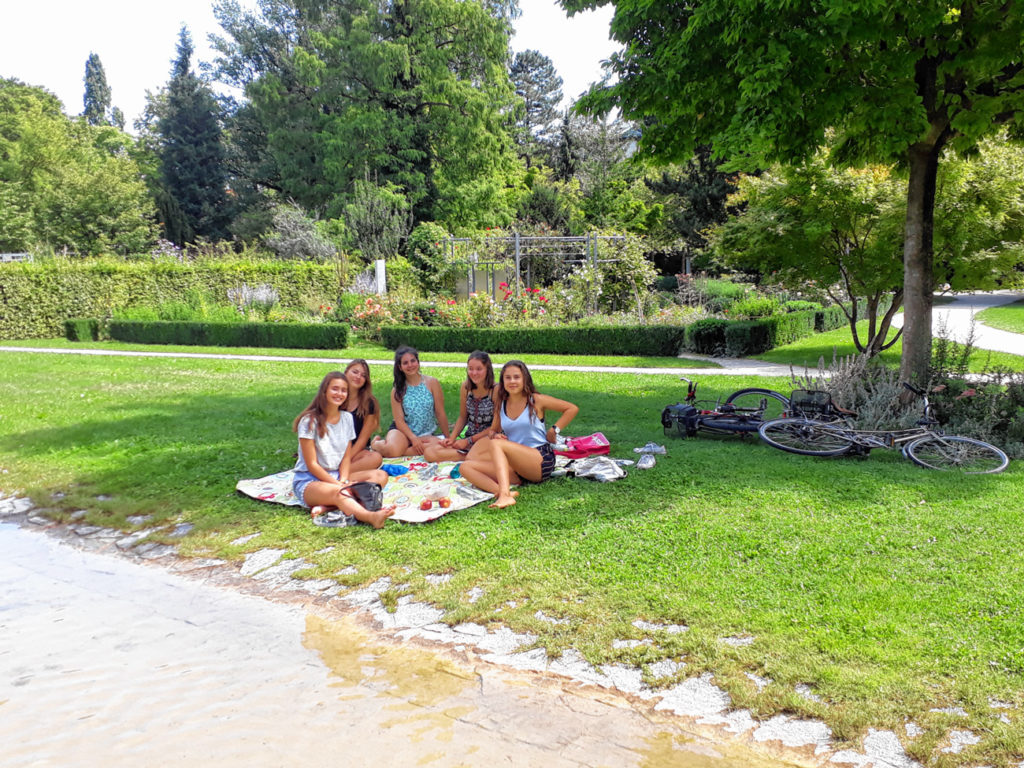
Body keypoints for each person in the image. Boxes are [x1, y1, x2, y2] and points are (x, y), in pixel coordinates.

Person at [459, 360, 579, 509]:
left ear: (524, 379)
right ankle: (502, 492)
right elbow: (492, 431)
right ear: (502, 381)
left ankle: (504, 496)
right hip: (517, 467)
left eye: (516, 377)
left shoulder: (535, 400)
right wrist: (494, 435)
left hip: (540, 460)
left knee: (497, 445)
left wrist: (554, 430)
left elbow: (571, 408)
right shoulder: (501, 404)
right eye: (507, 378)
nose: (512, 381)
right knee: (465, 467)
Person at [292, 371, 395, 528]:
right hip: (310, 480)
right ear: (324, 390)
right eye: (335, 389)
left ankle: (328, 506)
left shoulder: (347, 419)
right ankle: (371, 516)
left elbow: (346, 458)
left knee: (380, 475)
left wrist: (344, 480)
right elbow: (312, 464)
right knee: (340, 492)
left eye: (343, 390)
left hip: (337, 475)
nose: (339, 393)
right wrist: (339, 485)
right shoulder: (309, 421)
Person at [371, 346, 450, 458]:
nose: (410, 365)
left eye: (413, 361)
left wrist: (448, 438)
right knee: (392, 451)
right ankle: (376, 444)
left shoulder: (432, 383)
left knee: (440, 447)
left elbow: (440, 412)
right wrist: (413, 438)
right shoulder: (397, 390)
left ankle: (404, 449)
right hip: (403, 432)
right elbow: (399, 421)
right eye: (405, 363)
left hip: (425, 433)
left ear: (418, 362)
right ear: (400, 367)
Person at [424, 350, 496, 464]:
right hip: (469, 438)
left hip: (488, 438)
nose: (474, 373)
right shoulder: (466, 387)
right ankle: (473, 456)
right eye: (471, 369)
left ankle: (474, 456)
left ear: (487, 369)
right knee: (429, 452)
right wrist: (452, 439)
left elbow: (496, 427)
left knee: (435, 453)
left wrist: (468, 441)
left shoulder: (495, 390)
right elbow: (463, 417)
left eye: (479, 369)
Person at [342, 359, 384, 473]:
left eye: (363, 375)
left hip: (357, 451)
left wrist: (345, 459)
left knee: (375, 458)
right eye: (355, 372)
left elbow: (362, 440)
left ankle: (337, 475)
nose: (358, 377)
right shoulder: (336, 396)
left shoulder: (368, 403)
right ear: (346, 372)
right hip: (335, 450)